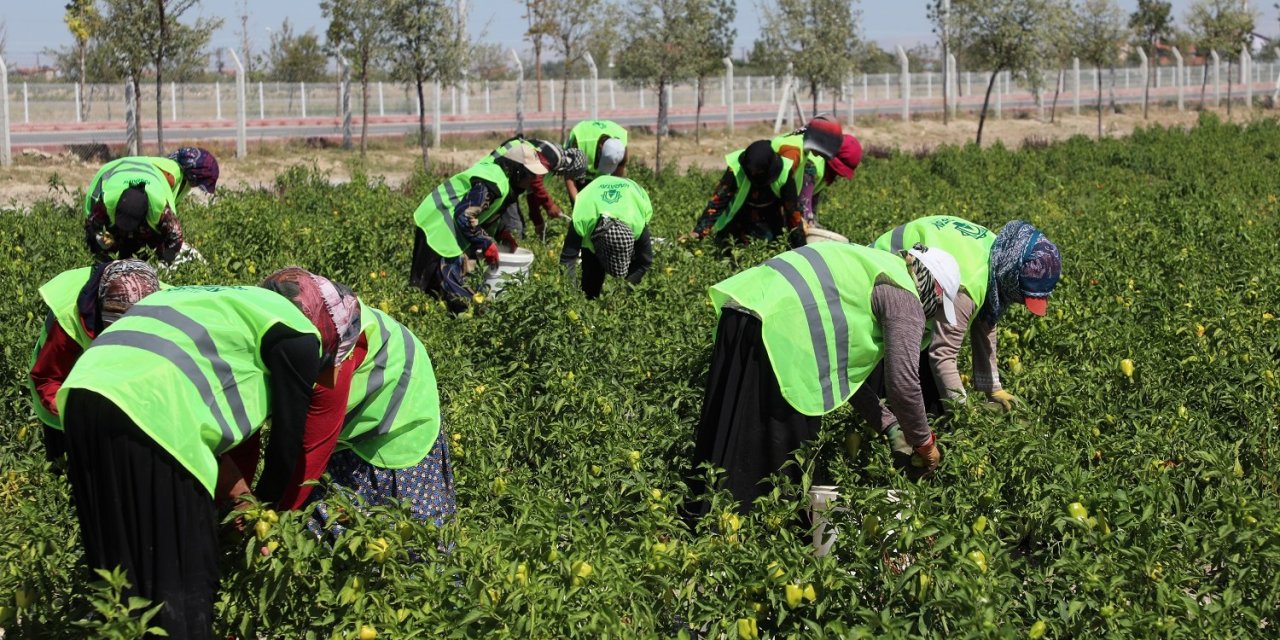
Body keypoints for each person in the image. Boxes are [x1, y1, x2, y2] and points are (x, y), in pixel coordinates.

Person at [58, 272, 360, 640]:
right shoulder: (299, 334)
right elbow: (285, 454)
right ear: (327, 328)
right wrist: (262, 522)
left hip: (81, 394)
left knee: (118, 575)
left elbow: (211, 444)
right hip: (154, 410)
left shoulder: (215, 303)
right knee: (181, 588)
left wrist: (242, 505)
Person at [688, 241, 960, 516]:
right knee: (773, 466)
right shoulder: (905, 296)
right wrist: (924, 444)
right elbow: (904, 385)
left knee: (725, 437)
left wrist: (890, 425)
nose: (930, 317)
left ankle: (702, 529)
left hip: (745, 309)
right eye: (936, 308)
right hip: (781, 331)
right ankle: (745, 542)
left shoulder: (879, 267)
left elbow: (840, 375)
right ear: (934, 289)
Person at [871, 216, 1062, 414]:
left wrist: (993, 388)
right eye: (1022, 295)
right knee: (895, 399)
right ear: (1012, 276)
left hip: (901, 279)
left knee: (927, 395)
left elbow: (986, 319)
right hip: (877, 282)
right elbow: (942, 354)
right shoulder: (967, 285)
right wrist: (964, 414)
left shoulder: (1001, 251)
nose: (1020, 302)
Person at [304, 301, 455, 534]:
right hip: (399, 392)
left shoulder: (334, 357)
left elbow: (310, 444)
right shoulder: (332, 311)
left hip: (406, 428)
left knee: (410, 537)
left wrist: (279, 503)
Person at [28, 260, 161, 462]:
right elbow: (47, 379)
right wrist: (81, 419)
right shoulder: (68, 320)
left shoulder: (162, 301)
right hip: (63, 385)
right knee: (69, 468)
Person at [409, 142, 549, 313]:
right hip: (438, 224)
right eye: (530, 174)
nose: (533, 180)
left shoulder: (502, 180)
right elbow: (465, 215)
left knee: (435, 291)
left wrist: (501, 232)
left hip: (442, 224)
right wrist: (486, 242)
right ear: (518, 170)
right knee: (451, 295)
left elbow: (486, 212)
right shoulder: (494, 181)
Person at [691, 139, 804, 246]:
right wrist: (699, 231)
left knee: (771, 246)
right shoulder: (737, 168)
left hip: (772, 214)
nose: (753, 174)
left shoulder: (784, 173)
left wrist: (801, 247)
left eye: (757, 172)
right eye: (750, 170)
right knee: (731, 246)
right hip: (742, 213)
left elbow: (792, 212)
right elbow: (719, 200)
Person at [559, 175, 654, 299]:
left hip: (631, 192)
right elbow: (567, 260)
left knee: (633, 269)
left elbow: (644, 261)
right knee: (592, 274)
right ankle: (590, 297)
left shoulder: (637, 224)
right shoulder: (582, 218)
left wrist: (623, 292)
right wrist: (573, 299)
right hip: (595, 190)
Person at [487, 136, 587, 243]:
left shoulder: (554, 158)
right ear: (570, 169)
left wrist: (538, 222)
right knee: (515, 229)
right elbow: (535, 181)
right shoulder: (554, 156)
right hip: (500, 177)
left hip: (506, 179)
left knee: (510, 226)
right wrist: (550, 206)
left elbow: (532, 193)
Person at [83, 157, 185, 263]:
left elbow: (175, 237)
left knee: (154, 245)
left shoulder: (160, 210)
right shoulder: (107, 201)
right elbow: (91, 226)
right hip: (116, 170)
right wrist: (100, 239)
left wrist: (163, 261)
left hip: (153, 176)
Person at [773, 116, 862, 226]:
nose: (840, 175)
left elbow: (812, 204)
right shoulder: (812, 167)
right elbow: (803, 206)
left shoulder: (826, 172)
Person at [564, 119, 629, 203]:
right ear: (600, 147)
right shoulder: (579, 142)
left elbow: (617, 177)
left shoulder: (621, 145)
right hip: (580, 170)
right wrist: (578, 205)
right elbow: (569, 177)